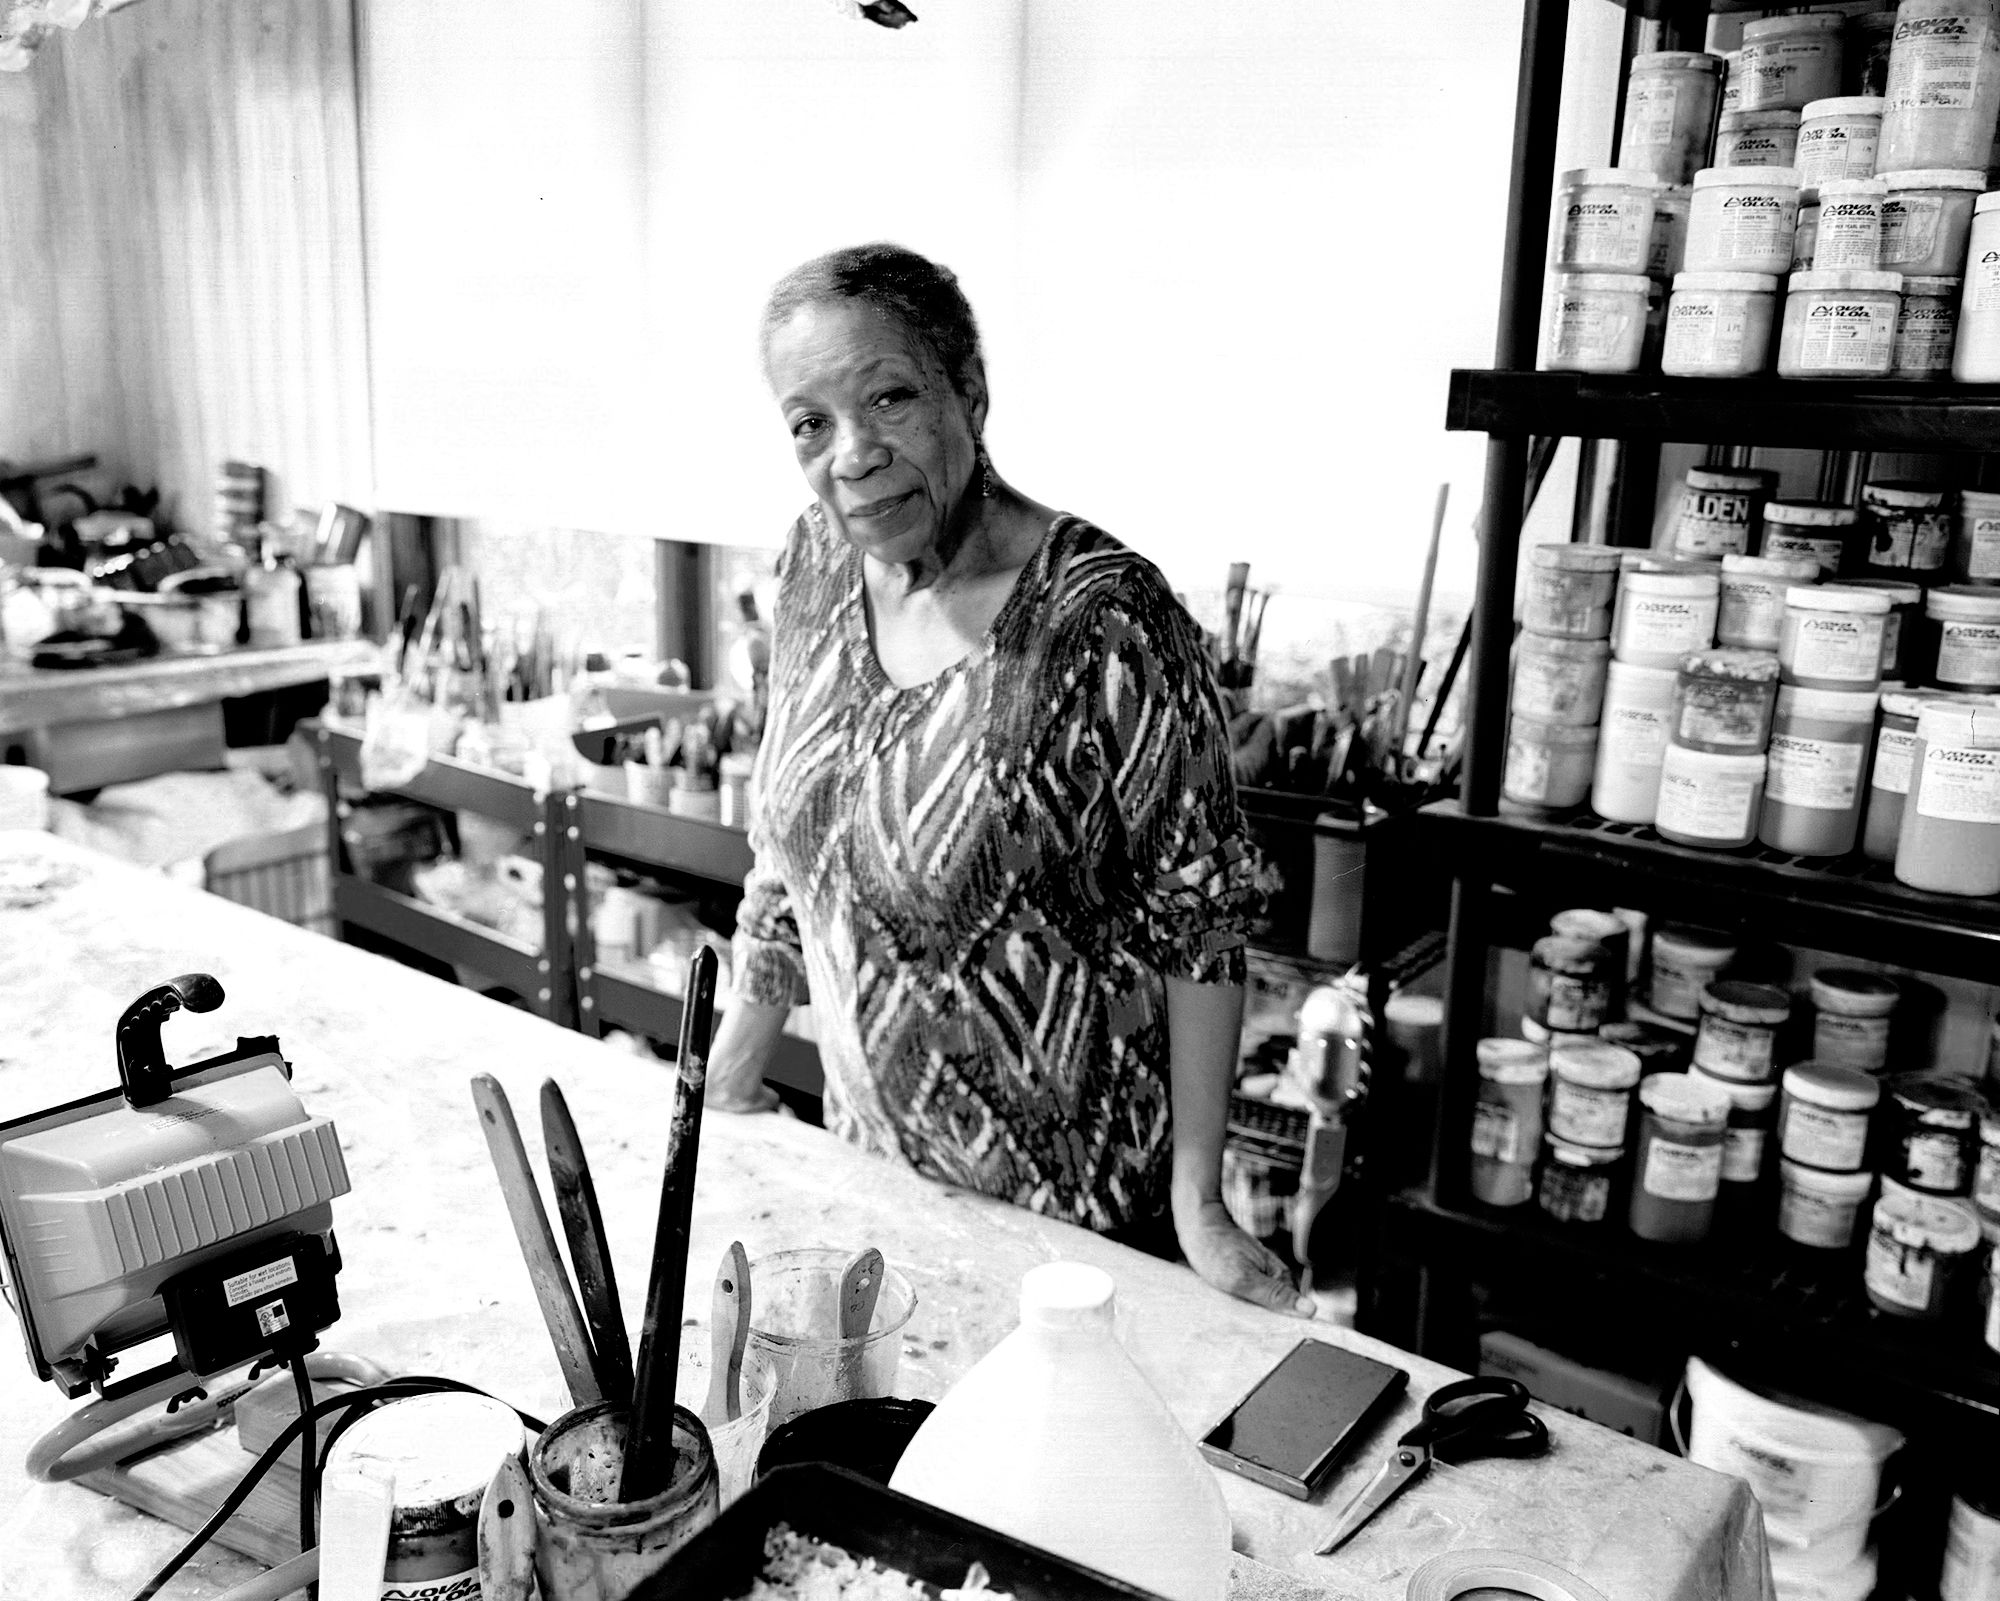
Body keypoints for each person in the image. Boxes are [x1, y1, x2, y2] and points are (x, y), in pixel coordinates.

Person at [706, 242, 1310, 1317]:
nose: (851, 453)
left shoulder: (1103, 617)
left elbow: (1201, 923)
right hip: (877, 1198)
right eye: (810, 423)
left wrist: (1199, 1206)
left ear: (969, 393)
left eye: (888, 397)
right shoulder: (809, 568)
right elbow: (785, 856)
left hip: (1071, 1243)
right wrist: (734, 1074)